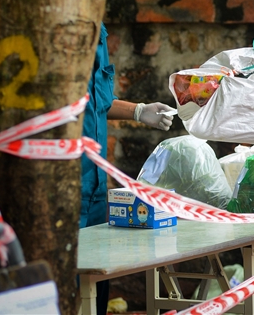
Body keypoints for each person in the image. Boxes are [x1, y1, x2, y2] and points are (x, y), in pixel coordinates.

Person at [81, 22, 174, 314]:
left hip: (95, 187)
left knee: (95, 284)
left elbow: (98, 103)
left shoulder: (100, 30)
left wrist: (137, 110)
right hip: (59, 183)